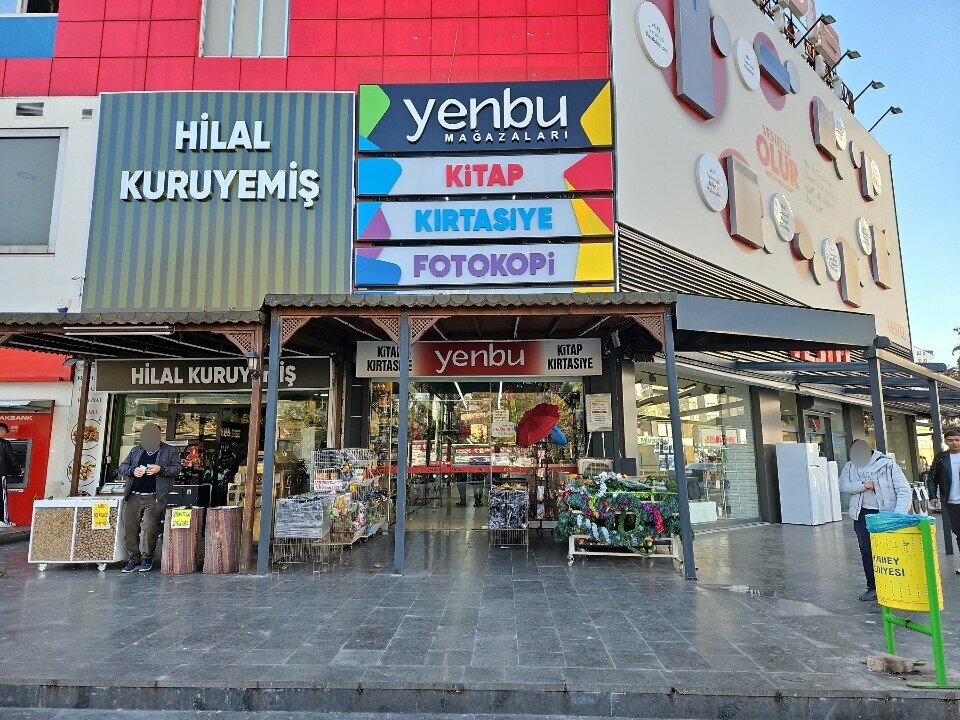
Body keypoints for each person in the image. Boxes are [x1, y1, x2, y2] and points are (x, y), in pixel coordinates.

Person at [838, 439, 912, 602]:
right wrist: (865, 485)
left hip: (886, 513)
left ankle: (896, 586)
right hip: (862, 513)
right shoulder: (850, 466)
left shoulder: (887, 464)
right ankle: (873, 587)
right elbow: (843, 486)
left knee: (891, 551)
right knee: (866, 550)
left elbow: (904, 490)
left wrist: (898, 516)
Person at [118, 423, 181, 573]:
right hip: (133, 495)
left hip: (155, 496)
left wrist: (161, 469)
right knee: (130, 528)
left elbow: (177, 469)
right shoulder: (136, 450)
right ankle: (133, 559)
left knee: (150, 527)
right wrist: (133, 471)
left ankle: (147, 557)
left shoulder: (170, 450)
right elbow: (122, 467)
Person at [927, 427, 960, 576]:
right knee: (959, 533)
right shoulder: (941, 458)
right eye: (951, 440)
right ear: (946, 441)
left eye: (957, 440)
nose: (954, 443)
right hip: (952, 502)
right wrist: (933, 495)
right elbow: (932, 478)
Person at [0, 423, 22, 527]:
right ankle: (4, 521)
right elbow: (12, 459)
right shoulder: (4, 443)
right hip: (1, 474)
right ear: (2, 431)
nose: (5, 434)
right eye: (5, 432)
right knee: (2, 497)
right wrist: (18, 471)